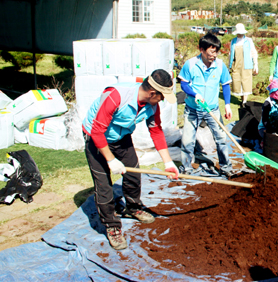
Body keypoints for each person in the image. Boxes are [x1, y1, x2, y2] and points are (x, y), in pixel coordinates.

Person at [82, 69, 179, 250]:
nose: (163, 100)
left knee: (134, 173)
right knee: (104, 186)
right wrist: (110, 160)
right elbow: (97, 131)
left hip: (121, 137)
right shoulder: (116, 96)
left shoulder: (152, 105)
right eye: (162, 96)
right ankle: (112, 226)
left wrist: (168, 162)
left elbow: (156, 131)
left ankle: (133, 208)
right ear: (152, 93)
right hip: (96, 138)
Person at [178, 33, 234, 177]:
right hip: (193, 109)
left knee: (221, 138)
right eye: (211, 51)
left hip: (212, 109)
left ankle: (226, 166)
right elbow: (183, 84)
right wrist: (194, 94)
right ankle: (186, 168)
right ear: (202, 50)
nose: (214, 55)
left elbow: (226, 84)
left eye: (216, 51)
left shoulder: (220, 65)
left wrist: (227, 105)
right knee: (187, 140)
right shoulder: (190, 64)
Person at [229, 23, 259, 107]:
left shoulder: (248, 41)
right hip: (236, 65)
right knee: (237, 82)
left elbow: (253, 52)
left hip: (247, 65)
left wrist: (255, 64)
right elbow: (231, 54)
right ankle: (242, 99)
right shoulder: (233, 41)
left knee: (246, 82)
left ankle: (244, 102)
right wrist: (229, 66)